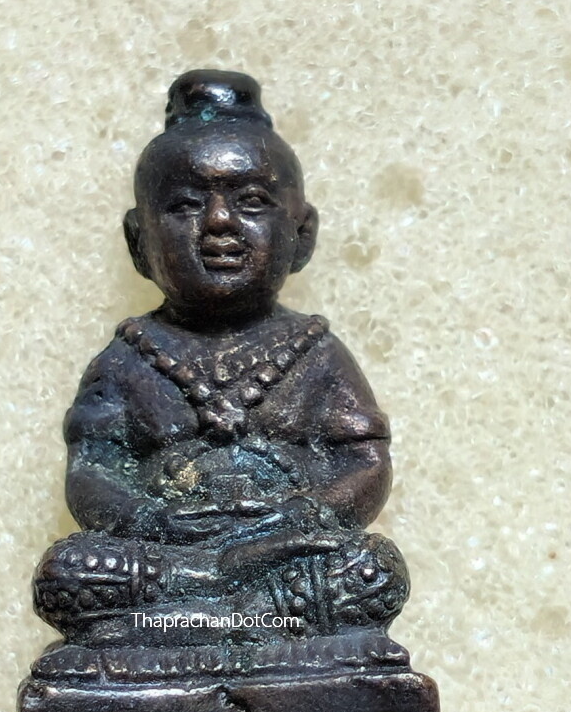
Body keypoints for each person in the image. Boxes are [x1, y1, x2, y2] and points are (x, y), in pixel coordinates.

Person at [33, 70, 408, 647]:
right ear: (138, 242)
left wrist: (302, 516)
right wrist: (150, 521)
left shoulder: (317, 353)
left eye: (251, 202)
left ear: (302, 235)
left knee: (372, 568)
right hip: (169, 556)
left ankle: (202, 619)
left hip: (285, 550)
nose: (218, 223)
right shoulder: (127, 358)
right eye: (185, 205)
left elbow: (364, 463)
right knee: (67, 571)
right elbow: (92, 468)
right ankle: (232, 602)